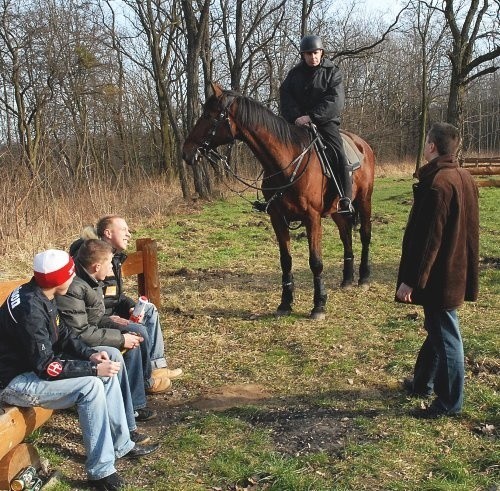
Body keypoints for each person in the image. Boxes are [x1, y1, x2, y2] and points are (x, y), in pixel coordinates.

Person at [0, 250, 159, 491]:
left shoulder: (42, 291)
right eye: (69, 275)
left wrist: (90, 354)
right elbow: (47, 367)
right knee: (91, 385)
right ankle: (101, 472)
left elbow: (62, 332)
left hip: (32, 366)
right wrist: (93, 369)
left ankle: (122, 443)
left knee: (109, 359)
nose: (73, 279)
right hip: (14, 381)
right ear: (56, 279)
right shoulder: (30, 310)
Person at [395, 122, 479, 419]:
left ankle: (449, 403)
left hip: (440, 275)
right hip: (455, 270)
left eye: (427, 141)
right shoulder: (463, 176)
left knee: (446, 336)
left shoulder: (438, 184)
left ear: (431, 146)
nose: (425, 145)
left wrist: (411, 282)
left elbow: (429, 241)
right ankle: (422, 384)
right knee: (437, 330)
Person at [69, 215, 182, 393]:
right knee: (136, 331)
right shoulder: (93, 257)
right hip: (98, 319)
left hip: (106, 313)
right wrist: (110, 318)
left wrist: (130, 305)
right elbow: (91, 302)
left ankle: (156, 366)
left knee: (149, 310)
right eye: (124, 230)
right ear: (107, 233)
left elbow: (115, 295)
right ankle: (144, 383)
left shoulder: (114, 256)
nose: (129, 234)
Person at [56, 239, 157, 423]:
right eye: (110, 263)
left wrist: (114, 321)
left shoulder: (91, 279)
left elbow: (91, 316)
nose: (112, 268)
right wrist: (120, 338)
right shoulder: (75, 288)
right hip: (74, 344)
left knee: (136, 332)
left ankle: (138, 395)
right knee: (127, 344)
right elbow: (78, 333)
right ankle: (131, 407)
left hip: (91, 329)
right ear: (96, 266)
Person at [280, 34, 353, 214]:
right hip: (298, 124)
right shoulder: (294, 75)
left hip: (325, 123)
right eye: (308, 54)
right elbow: (286, 97)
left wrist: (312, 116)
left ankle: (345, 198)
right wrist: (296, 117)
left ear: (321, 52)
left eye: (316, 53)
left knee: (339, 154)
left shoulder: (332, 72)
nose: (313, 57)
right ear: (303, 55)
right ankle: (275, 197)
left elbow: (335, 101)